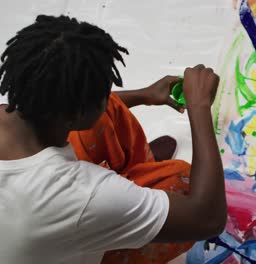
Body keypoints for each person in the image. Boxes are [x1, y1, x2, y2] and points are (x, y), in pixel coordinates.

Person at [0, 14, 226, 264]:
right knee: (181, 181)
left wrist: (144, 95)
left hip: (31, 225)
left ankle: (135, 178)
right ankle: (132, 194)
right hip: (64, 222)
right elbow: (207, 218)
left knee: (110, 112)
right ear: (75, 115)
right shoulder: (79, 195)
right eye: (102, 92)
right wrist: (200, 107)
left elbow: (69, 100)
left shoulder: (19, 113)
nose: (107, 95)